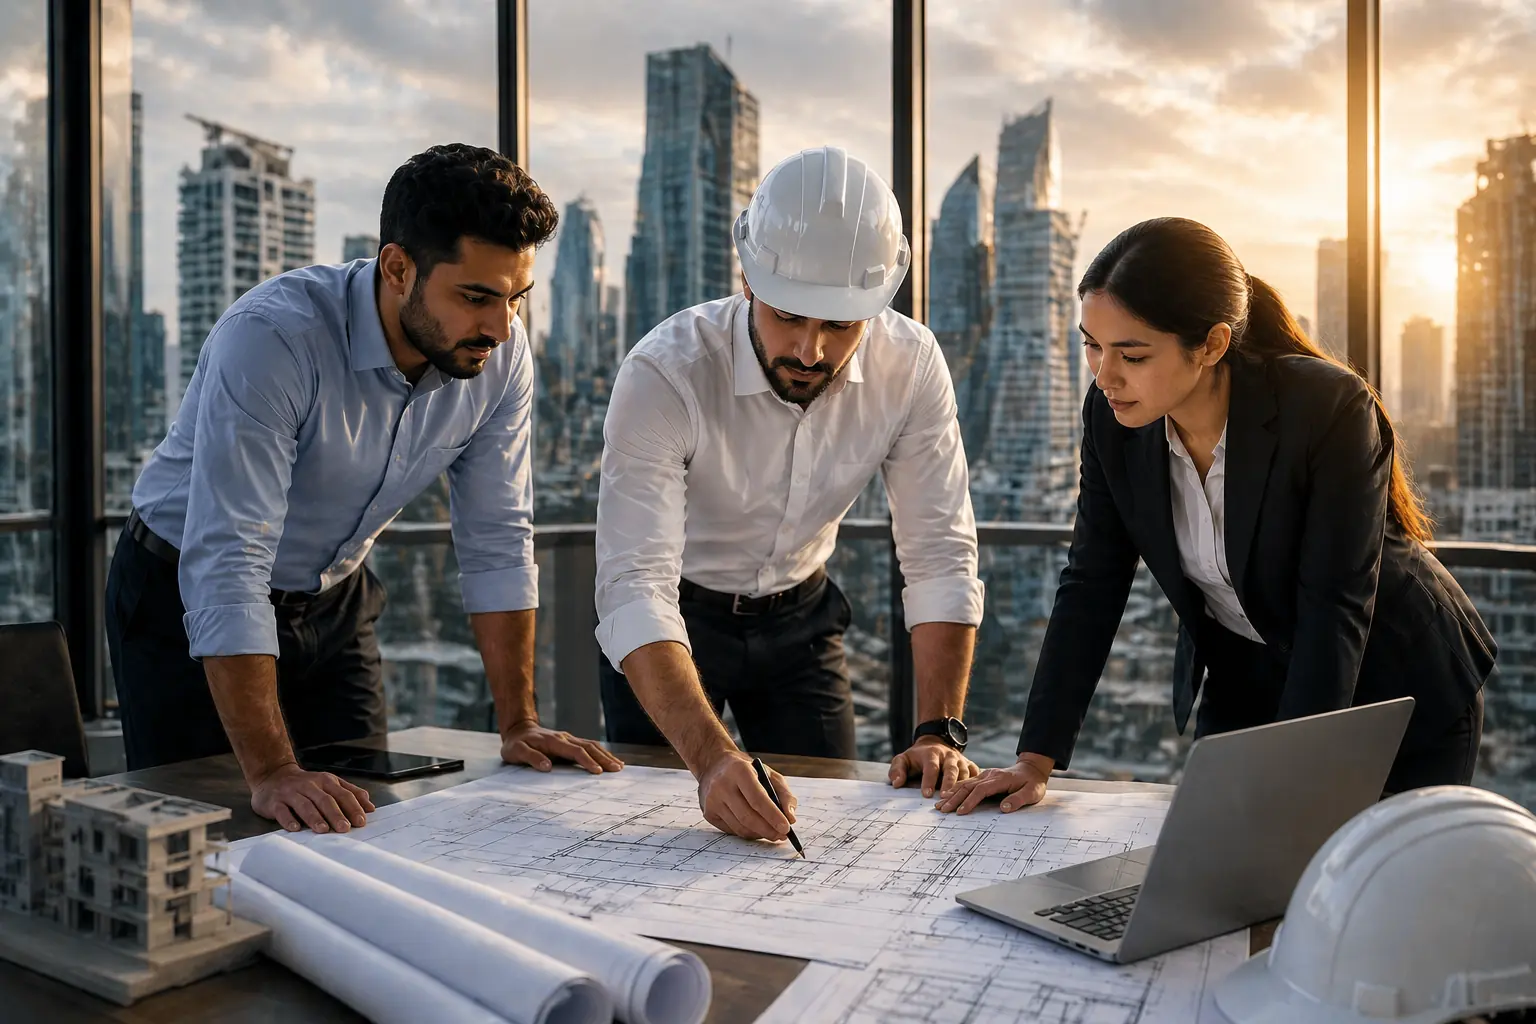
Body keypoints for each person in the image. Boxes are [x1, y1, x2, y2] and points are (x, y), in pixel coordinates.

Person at [106, 144, 622, 834]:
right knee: (207, 839)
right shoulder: (273, 338)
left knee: (365, 823)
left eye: (515, 299)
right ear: (398, 268)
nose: (500, 328)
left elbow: (498, 538)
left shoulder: (500, 357)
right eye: (475, 297)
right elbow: (229, 561)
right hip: (180, 593)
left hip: (334, 600)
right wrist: (272, 772)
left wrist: (519, 723)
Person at [938, 217, 1496, 817]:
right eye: (1091, 345)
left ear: (1211, 345)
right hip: (1247, 676)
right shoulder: (1112, 418)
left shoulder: (1326, 407)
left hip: (1396, 684)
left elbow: (1334, 607)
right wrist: (1034, 760)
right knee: (1221, 860)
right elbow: (1092, 581)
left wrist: (1296, 782)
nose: (1105, 376)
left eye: (1132, 354)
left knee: (1373, 870)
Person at [595, 146, 986, 842]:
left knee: (826, 835)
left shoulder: (912, 365)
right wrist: (711, 760)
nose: (811, 352)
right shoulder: (666, 372)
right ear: (747, 280)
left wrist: (938, 730)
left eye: (839, 325)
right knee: (653, 834)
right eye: (788, 316)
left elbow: (939, 555)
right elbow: (635, 586)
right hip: (674, 622)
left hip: (802, 622)